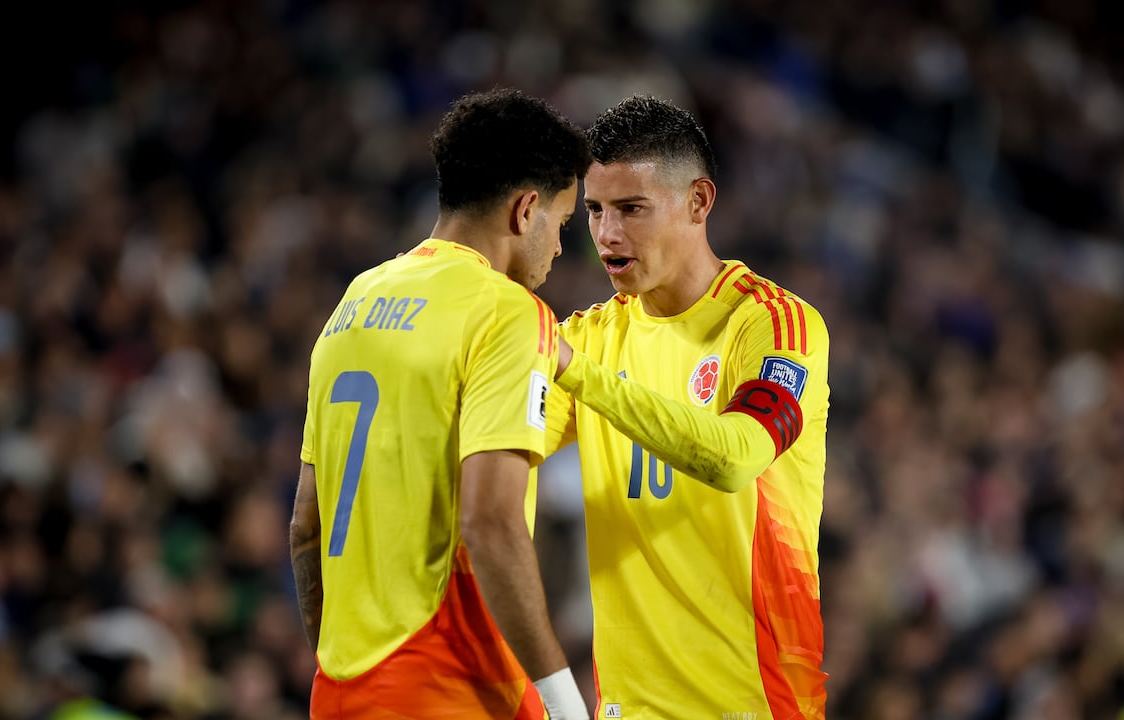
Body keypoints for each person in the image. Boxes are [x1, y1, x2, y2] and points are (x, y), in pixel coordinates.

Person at [289, 88, 592, 720]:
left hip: (339, 690)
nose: (561, 249)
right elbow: (490, 523)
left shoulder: (354, 301)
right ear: (526, 209)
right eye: (562, 225)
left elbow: (304, 528)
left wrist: (338, 662)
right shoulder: (509, 313)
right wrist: (564, 702)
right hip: (450, 685)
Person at [546, 95, 830, 718]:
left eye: (631, 209)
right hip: (625, 707)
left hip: (751, 701)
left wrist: (579, 375)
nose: (605, 234)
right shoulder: (590, 338)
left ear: (698, 202)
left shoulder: (775, 325)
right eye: (593, 210)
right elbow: (495, 445)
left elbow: (736, 457)